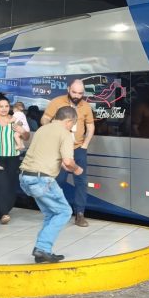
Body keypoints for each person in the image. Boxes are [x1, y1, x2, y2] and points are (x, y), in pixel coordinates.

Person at [20, 106, 84, 263]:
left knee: (51, 213)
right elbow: (68, 162)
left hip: (25, 177)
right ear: (69, 121)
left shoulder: (43, 129)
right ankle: (42, 248)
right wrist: (77, 169)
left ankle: (43, 251)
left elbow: (48, 154)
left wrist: (62, 163)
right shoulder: (65, 134)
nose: (72, 128)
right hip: (42, 180)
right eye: (73, 124)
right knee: (64, 212)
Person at [41, 79, 95, 227]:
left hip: (78, 149)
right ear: (68, 89)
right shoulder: (57, 102)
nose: (77, 95)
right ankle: (54, 211)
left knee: (81, 182)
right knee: (58, 180)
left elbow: (90, 127)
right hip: (59, 149)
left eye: (80, 93)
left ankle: (80, 214)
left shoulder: (86, 106)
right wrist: (52, 131)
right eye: (74, 92)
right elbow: (44, 119)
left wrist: (85, 145)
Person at [0, 94, 29, 224]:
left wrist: (22, 131)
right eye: (1, 106)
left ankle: (6, 208)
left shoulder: (15, 120)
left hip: (12, 157)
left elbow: (26, 137)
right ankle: (2, 213)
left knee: (10, 186)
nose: (4, 109)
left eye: (6, 106)